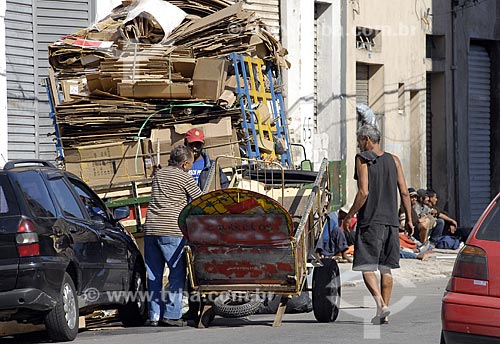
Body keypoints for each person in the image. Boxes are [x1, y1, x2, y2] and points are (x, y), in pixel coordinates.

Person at [343, 124, 414, 325]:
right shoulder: (394, 160)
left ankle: (381, 305)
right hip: (391, 223)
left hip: (371, 221)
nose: (358, 144)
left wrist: (349, 215)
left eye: (359, 140)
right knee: (385, 268)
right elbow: (405, 192)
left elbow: (364, 192)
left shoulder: (363, 159)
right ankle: (383, 313)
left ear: (367, 139)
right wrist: (408, 219)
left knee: (366, 266)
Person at [143, 145, 203, 327]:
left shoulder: (159, 175)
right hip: (171, 230)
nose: (191, 168)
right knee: (177, 273)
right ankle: (172, 314)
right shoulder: (184, 177)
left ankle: (154, 316)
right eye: (191, 164)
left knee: (154, 274)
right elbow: (200, 199)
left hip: (151, 229)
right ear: (185, 164)